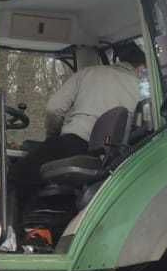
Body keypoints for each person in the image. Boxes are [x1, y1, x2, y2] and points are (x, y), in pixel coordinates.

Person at [20, 40, 146, 184]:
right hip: (108, 159)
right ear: (141, 67)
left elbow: (54, 108)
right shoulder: (140, 90)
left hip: (73, 142)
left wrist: (52, 136)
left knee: (19, 175)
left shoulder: (89, 72)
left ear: (119, 60)